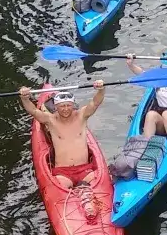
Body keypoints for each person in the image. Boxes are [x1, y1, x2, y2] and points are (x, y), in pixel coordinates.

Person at [19, 82, 107, 216]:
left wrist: (101, 89)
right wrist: (25, 98)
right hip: (63, 173)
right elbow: (33, 111)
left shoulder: (81, 115)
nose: (65, 109)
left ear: (73, 105)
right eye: (61, 106)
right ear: (55, 107)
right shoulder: (50, 119)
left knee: (99, 188)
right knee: (60, 191)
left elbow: (95, 103)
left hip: (86, 170)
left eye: (68, 105)